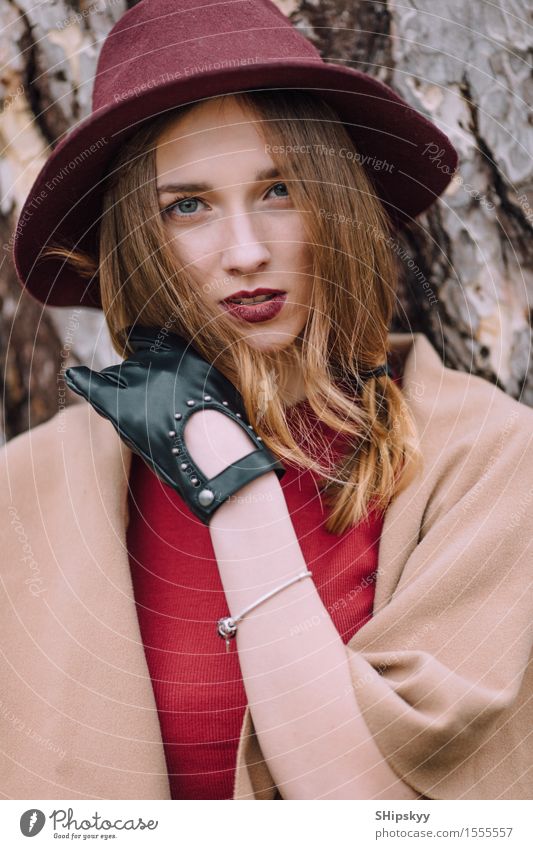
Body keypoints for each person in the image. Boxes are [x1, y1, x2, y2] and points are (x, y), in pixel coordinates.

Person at [2, 0, 532, 801]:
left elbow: (366, 811)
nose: (245, 252)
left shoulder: (487, 461)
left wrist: (227, 475)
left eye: (279, 188)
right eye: (187, 205)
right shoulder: (29, 492)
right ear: (135, 241)